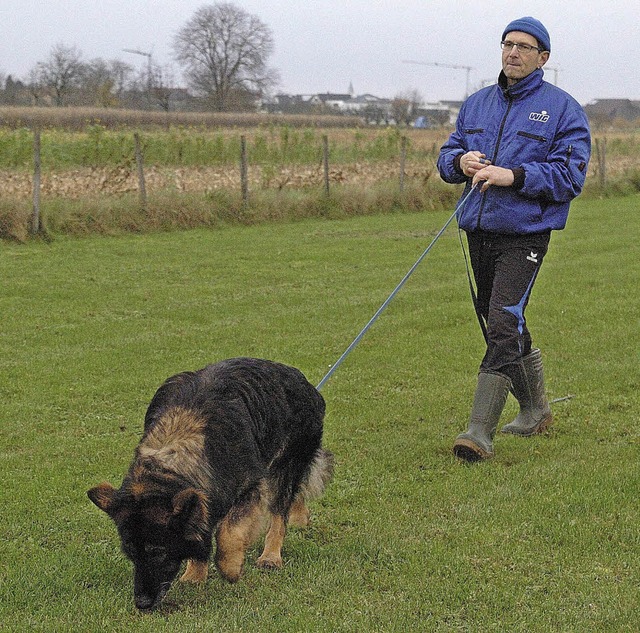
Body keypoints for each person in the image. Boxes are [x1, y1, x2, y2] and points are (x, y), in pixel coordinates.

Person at [437, 17, 591, 462]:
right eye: (508, 44)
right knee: (499, 323)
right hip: (478, 230)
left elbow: (570, 175)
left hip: (525, 234)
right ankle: (536, 410)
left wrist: (514, 174)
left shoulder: (564, 109)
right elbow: (447, 157)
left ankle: (478, 432)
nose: (513, 53)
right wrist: (459, 161)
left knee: (503, 322)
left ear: (543, 57)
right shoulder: (476, 104)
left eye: (524, 47)